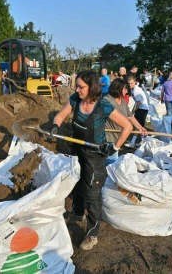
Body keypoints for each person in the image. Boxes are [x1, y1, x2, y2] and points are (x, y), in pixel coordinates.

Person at [51, 70, 132, 250]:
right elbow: (60, 116)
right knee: (78, 184)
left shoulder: (102, 105)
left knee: (92, 194)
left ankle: (92, 233)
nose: (77, 89)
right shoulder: (75, 99)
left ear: (91, 86)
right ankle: (77, 213)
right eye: (77, 86)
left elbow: (127, 126)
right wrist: (55, 126)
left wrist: (115, 147)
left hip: (95, 155)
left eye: (81, 87)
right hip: (78, 150)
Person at [105, 78, 148, 164]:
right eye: (124, 89)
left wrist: (140, 127)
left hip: (119, 137)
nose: (126, 91)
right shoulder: (107, 100)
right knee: (112, 162)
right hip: (108, 137)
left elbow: (130, 116)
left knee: (112, 163)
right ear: (117, 89)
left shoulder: (123, 101)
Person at [127, 76, 149, 147]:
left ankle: (139, 141)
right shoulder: (133, 89)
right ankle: (137, 141)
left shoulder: (136, 90)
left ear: (135, 82)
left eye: (131, 83)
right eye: (129, 83)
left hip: (142, 108)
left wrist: (133, 111)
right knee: (139, 125)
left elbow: (139, 103)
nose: (130, 85)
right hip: (141, 108)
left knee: (138, 125)